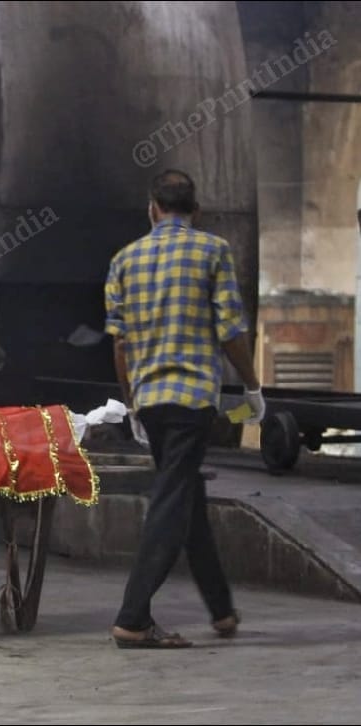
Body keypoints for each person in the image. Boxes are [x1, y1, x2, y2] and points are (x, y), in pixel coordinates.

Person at [104, 169, 265, 648]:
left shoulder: (124, 259)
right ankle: (133, 618)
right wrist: (252, 387)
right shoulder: (213, 250)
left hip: (151, 402)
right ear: (196, 211)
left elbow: (120, 344)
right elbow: (230, 331)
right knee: (172, 501)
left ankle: (222, 611)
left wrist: (132, 403)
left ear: (153, 209)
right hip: (193, 400)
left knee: (185, 494)